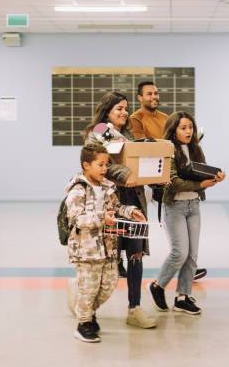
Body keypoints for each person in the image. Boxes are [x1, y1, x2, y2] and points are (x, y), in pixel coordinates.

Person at [83, 92, 157, 329]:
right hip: (110, 204)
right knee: (105, 260)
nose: (125, 112)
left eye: (126, 108)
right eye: (119, 108)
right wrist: (128, 175)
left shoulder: (124, 136)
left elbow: (133, 162)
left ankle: (134, 308)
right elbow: (103, 167)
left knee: (135, 255)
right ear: (107, 111)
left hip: (133, 204)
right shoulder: (100, 131)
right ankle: (86, 306)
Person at [66, 142, 146, 343]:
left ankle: (84, 307)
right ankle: (84, 323)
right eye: (100, 165)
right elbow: (76, 219)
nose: (105, 169)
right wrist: (102, 218)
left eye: (106, 164)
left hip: (108, 247)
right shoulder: (78, 190)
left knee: (109, 283)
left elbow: (116, 207)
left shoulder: (107, 188)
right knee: (90, 288)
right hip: (87, 250)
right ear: (86, 165)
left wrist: (129, 212)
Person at [148, 112, 225, 315]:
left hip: (193, 205)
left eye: (191, 127)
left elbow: (201, 176)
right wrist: (201, 183)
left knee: (192, 256)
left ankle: (183, 297)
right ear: (173, 130)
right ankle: (157, 285)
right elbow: (172, 182)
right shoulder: (168, 150)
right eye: (183, 127)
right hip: (174, 206)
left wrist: (215, 177)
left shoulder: (195, 150)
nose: (188, 131)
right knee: (179, 252)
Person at [131, 81, 208, 281]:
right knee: (163, 225)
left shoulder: (166, 118)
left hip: (173, 170)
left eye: (156, 93)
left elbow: (171, 140)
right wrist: (169, 146)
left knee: (181, 242)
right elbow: (143, 147)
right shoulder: (135, 119)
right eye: (149, 94)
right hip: (151, 177)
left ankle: (187, 265)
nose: (154, 97)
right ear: (140, 97)